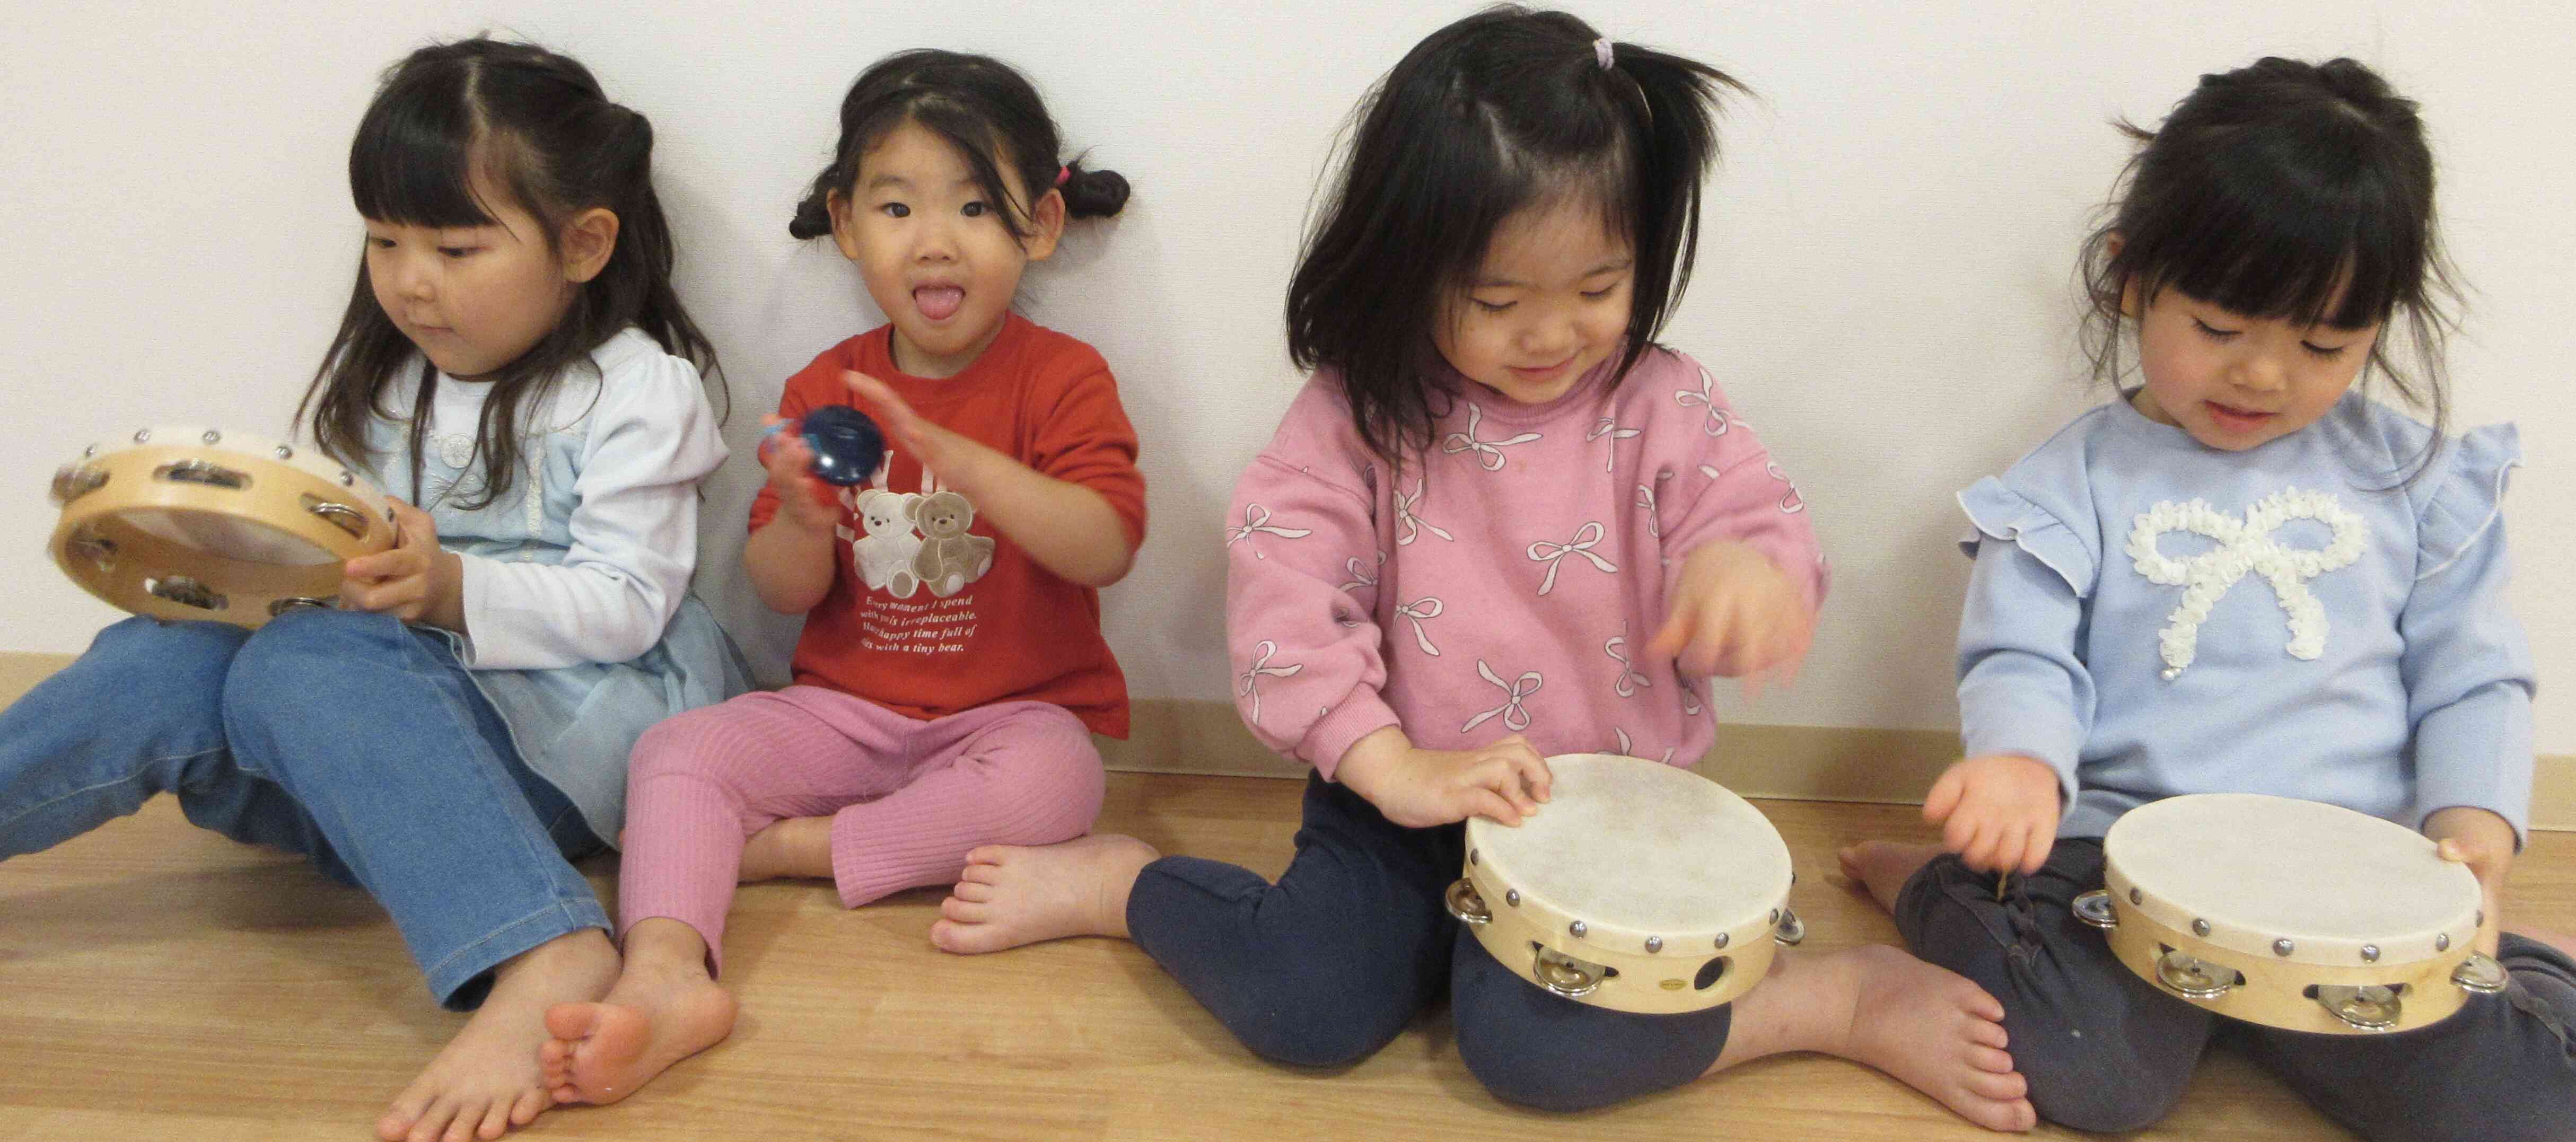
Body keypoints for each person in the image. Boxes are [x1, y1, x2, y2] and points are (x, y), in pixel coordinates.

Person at [927, 8, 2036, 1129]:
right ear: (1405, 265)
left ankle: (1831, 1000)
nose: (1549, 336)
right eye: (1497, 302)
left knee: (1533, 1051)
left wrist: (1746, 569)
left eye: (1596, 289)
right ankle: (1128, 886)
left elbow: (1749, 513)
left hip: (1598, 820)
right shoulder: (1357, 417)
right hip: (1398, 799)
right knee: (1303, 1004)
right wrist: (1392, 766)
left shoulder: (1665, 401)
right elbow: (1286, 605)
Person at [1, 37, 746, 1142]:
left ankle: (543, 944)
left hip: (553, 743)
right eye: (385, 240)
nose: (409, 279)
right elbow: (329, 575)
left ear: (584, 245)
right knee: (171, 656)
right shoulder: (391, 377)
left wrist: (446, 590)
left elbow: (630, 603)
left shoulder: (639, 389)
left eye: (455, 247)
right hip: (366, 754)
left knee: (309, 662)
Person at [1838, 56, 2574, 1138]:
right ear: (2132, 279)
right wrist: (2020, 763)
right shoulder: (2070, 486)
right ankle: (1939, 892)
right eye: (2220, 329)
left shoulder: (2418, 482)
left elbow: (2471, 677)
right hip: (2116, 868)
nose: (2261, 376)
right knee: (2090, 1078)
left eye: (2321, 345)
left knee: (2536, 1099)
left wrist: (2474, 835)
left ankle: (2500, 975)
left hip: (2349, 889)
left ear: (2377, 325)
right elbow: (2023, 655)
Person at [539, 48, 1145, 1109]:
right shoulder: (828, 386)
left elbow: (1105, 547)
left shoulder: (1062, 377)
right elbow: (781, 591)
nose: (934, 240)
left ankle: (794, 851)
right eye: (897, 207)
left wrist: (966, 463)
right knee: (677, 749)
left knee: (1059, 782)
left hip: (1010, 717)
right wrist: (806, 518)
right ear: (848, 223)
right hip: (846, 711)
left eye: (973, 207)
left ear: (1040, 224)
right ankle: (666, 974)